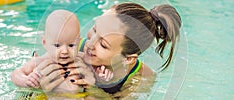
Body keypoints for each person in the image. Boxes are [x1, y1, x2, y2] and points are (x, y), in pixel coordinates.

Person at [38, 2, 182, 99]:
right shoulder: (71, 48)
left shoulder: (139, 79)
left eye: (103, 44)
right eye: (94, 29)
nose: (90, 43)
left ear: (128, 58)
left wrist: (91, 88)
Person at [10, 10, 113, 95]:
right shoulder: (40, 61)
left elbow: (96, 76)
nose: (64, 51)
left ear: (78, 41)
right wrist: (26, 80)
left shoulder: (82, 59)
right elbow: (16, 73)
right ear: (44, 42)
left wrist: (103, 75)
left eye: (71, 45)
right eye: (57, 45)